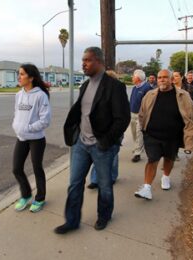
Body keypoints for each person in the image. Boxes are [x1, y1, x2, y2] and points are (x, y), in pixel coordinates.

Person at [54, 47, 130, 234]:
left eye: (87, 60)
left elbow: (123, 119)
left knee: (104, 185)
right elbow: (83, 112)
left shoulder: (115, 87)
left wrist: (106, 141)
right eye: (83, 60)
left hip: (101, 146)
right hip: (81, 143)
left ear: (99, 61)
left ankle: (104, 216)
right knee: (75, 183)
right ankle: (71, 221)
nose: (83, 64)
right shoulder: (85, 85)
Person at [134, 69, 193, 200]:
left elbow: (191, 116)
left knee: (169, 158)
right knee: (152, 160)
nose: (162, 80)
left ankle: (166, 177)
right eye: (159, 78)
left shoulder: (183, 95)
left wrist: (190, 136)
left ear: (172, 80)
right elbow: (142, 113)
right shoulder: (150, 94)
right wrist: (143, 129)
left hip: (173, 136)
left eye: (165, 77)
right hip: (152, 135)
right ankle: (147, 188)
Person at [12, 64, 51, 213]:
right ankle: (26, 195)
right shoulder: (18, 95)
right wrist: (16, 126)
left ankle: (40, 198)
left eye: (22, 74)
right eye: (19, 74)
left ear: (31, 77)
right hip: (21, 137)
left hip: (36, 139)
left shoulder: (40, 95)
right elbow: (17, 113)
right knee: (16, 168)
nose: (19, 77)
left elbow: (45, 120)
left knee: (37, 168)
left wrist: (28, 128)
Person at [87, 70, 120, 189]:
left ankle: (112, 177)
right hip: (98, 131)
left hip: (113, 132)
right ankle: (95, 180)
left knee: (113, 156)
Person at [129, 69, 152, 162]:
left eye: (133, 76)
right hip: (132, 113)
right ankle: (136, 148)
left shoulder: (147, 88)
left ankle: (137, 153)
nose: (132, 78)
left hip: (141, 115)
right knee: (134, 133)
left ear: (137, 78)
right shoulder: (135, 87)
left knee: (139, 134)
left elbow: (149, 103)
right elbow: (132, 100)